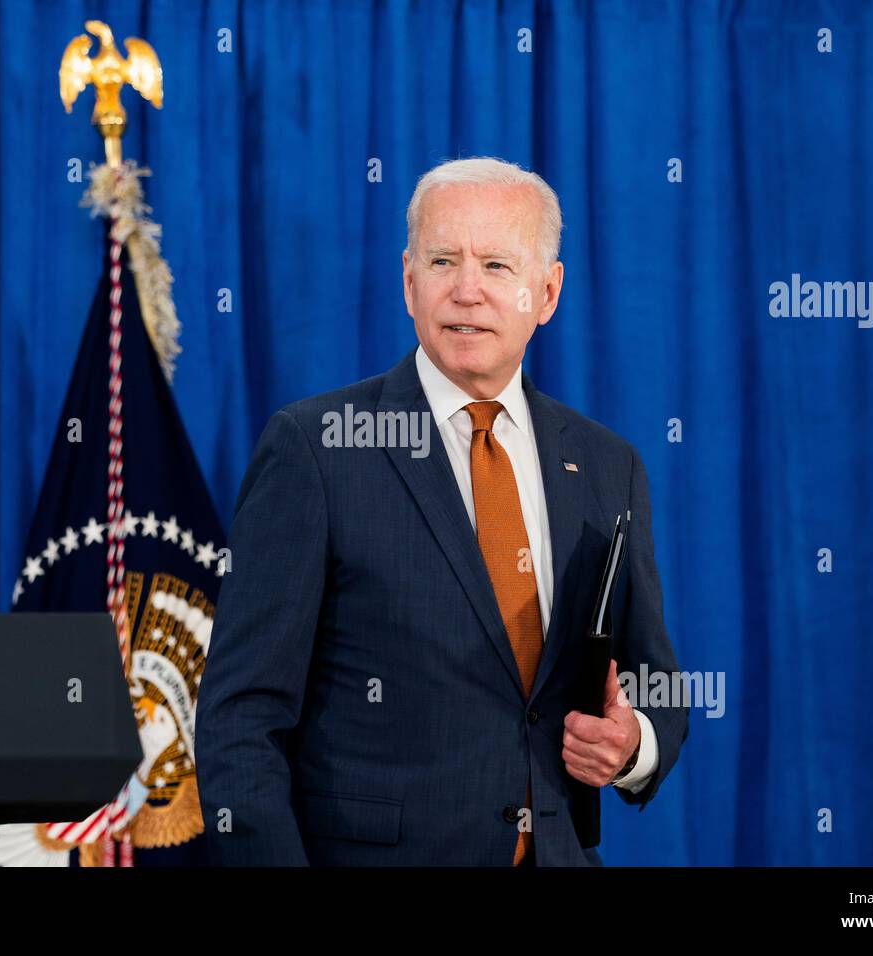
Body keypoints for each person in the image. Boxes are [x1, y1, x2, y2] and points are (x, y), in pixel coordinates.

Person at [195, 157, 688, 866]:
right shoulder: (316, 448)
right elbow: (241, 718)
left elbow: (654, 681)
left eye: (496, 265)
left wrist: (633, 742)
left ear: (546, 292)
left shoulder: (610, 466)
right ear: (408, 280)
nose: (466, 291)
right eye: (443, 260)